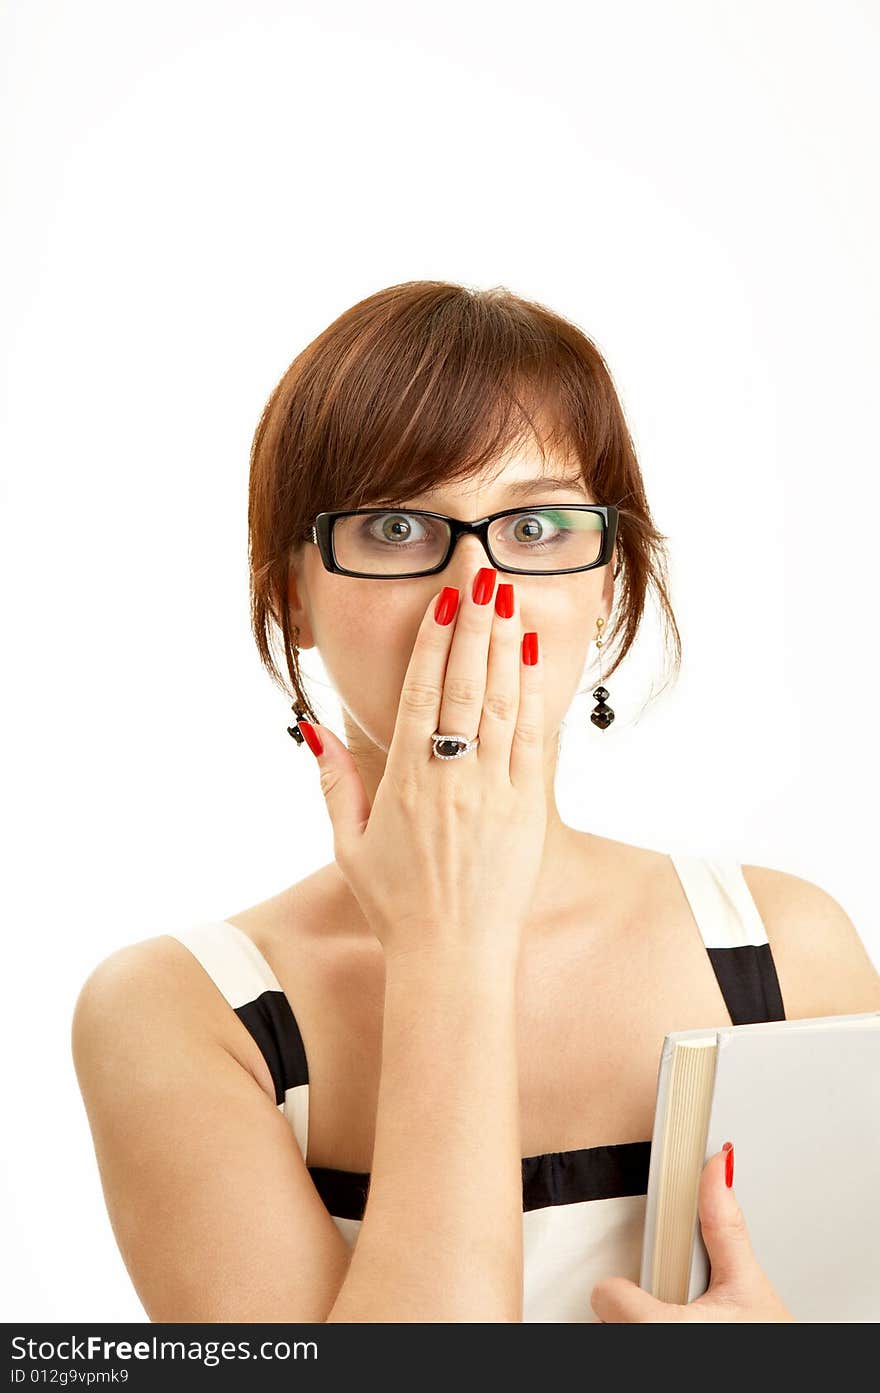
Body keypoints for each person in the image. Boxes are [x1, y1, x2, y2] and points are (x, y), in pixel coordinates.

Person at [71, 280, 880, 1323]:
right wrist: (448, 944)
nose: (472, 582)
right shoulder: (180, 1013)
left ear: (611, 585)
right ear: (292, 597)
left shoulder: (785, 949)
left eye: (536, 524)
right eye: (399, 524)